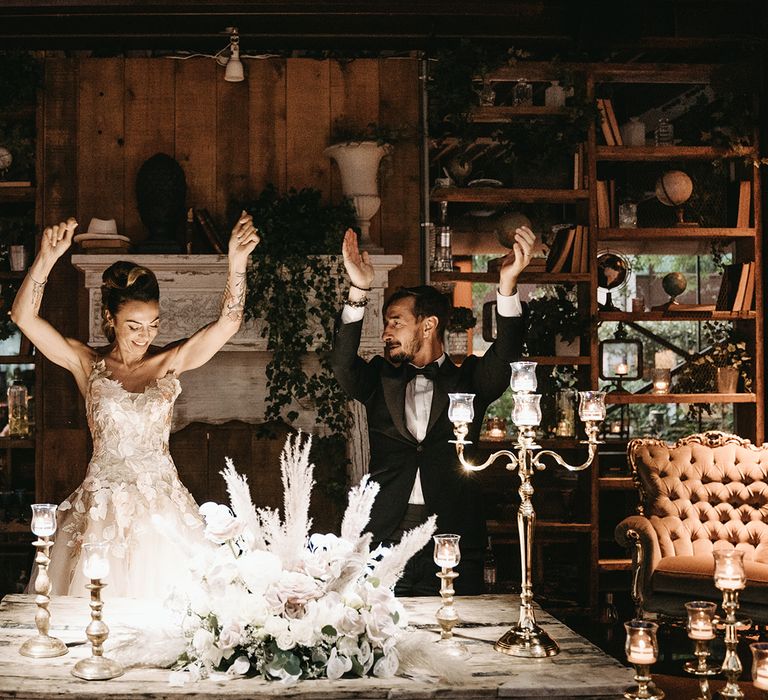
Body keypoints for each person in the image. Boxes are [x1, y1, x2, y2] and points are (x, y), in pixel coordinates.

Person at [12, 213, 259, 597]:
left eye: (153, 324)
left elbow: (227, 325)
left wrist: (237, 263)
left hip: (163, 510)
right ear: (110, 319)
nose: (146, 335)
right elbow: (23, 317)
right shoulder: (87, 364)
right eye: (134, 326)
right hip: (101, 511)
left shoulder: (168, 363)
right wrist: (45, 257)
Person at [330, 226, 535, 595]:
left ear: (428, 325)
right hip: (388, 531)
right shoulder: (377, 379)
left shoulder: (472, 380)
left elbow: (506, 353)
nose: (386, 332)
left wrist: (506, 285)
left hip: (455, 529)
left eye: (396, 321)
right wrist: (358, 290)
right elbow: (342, 364)